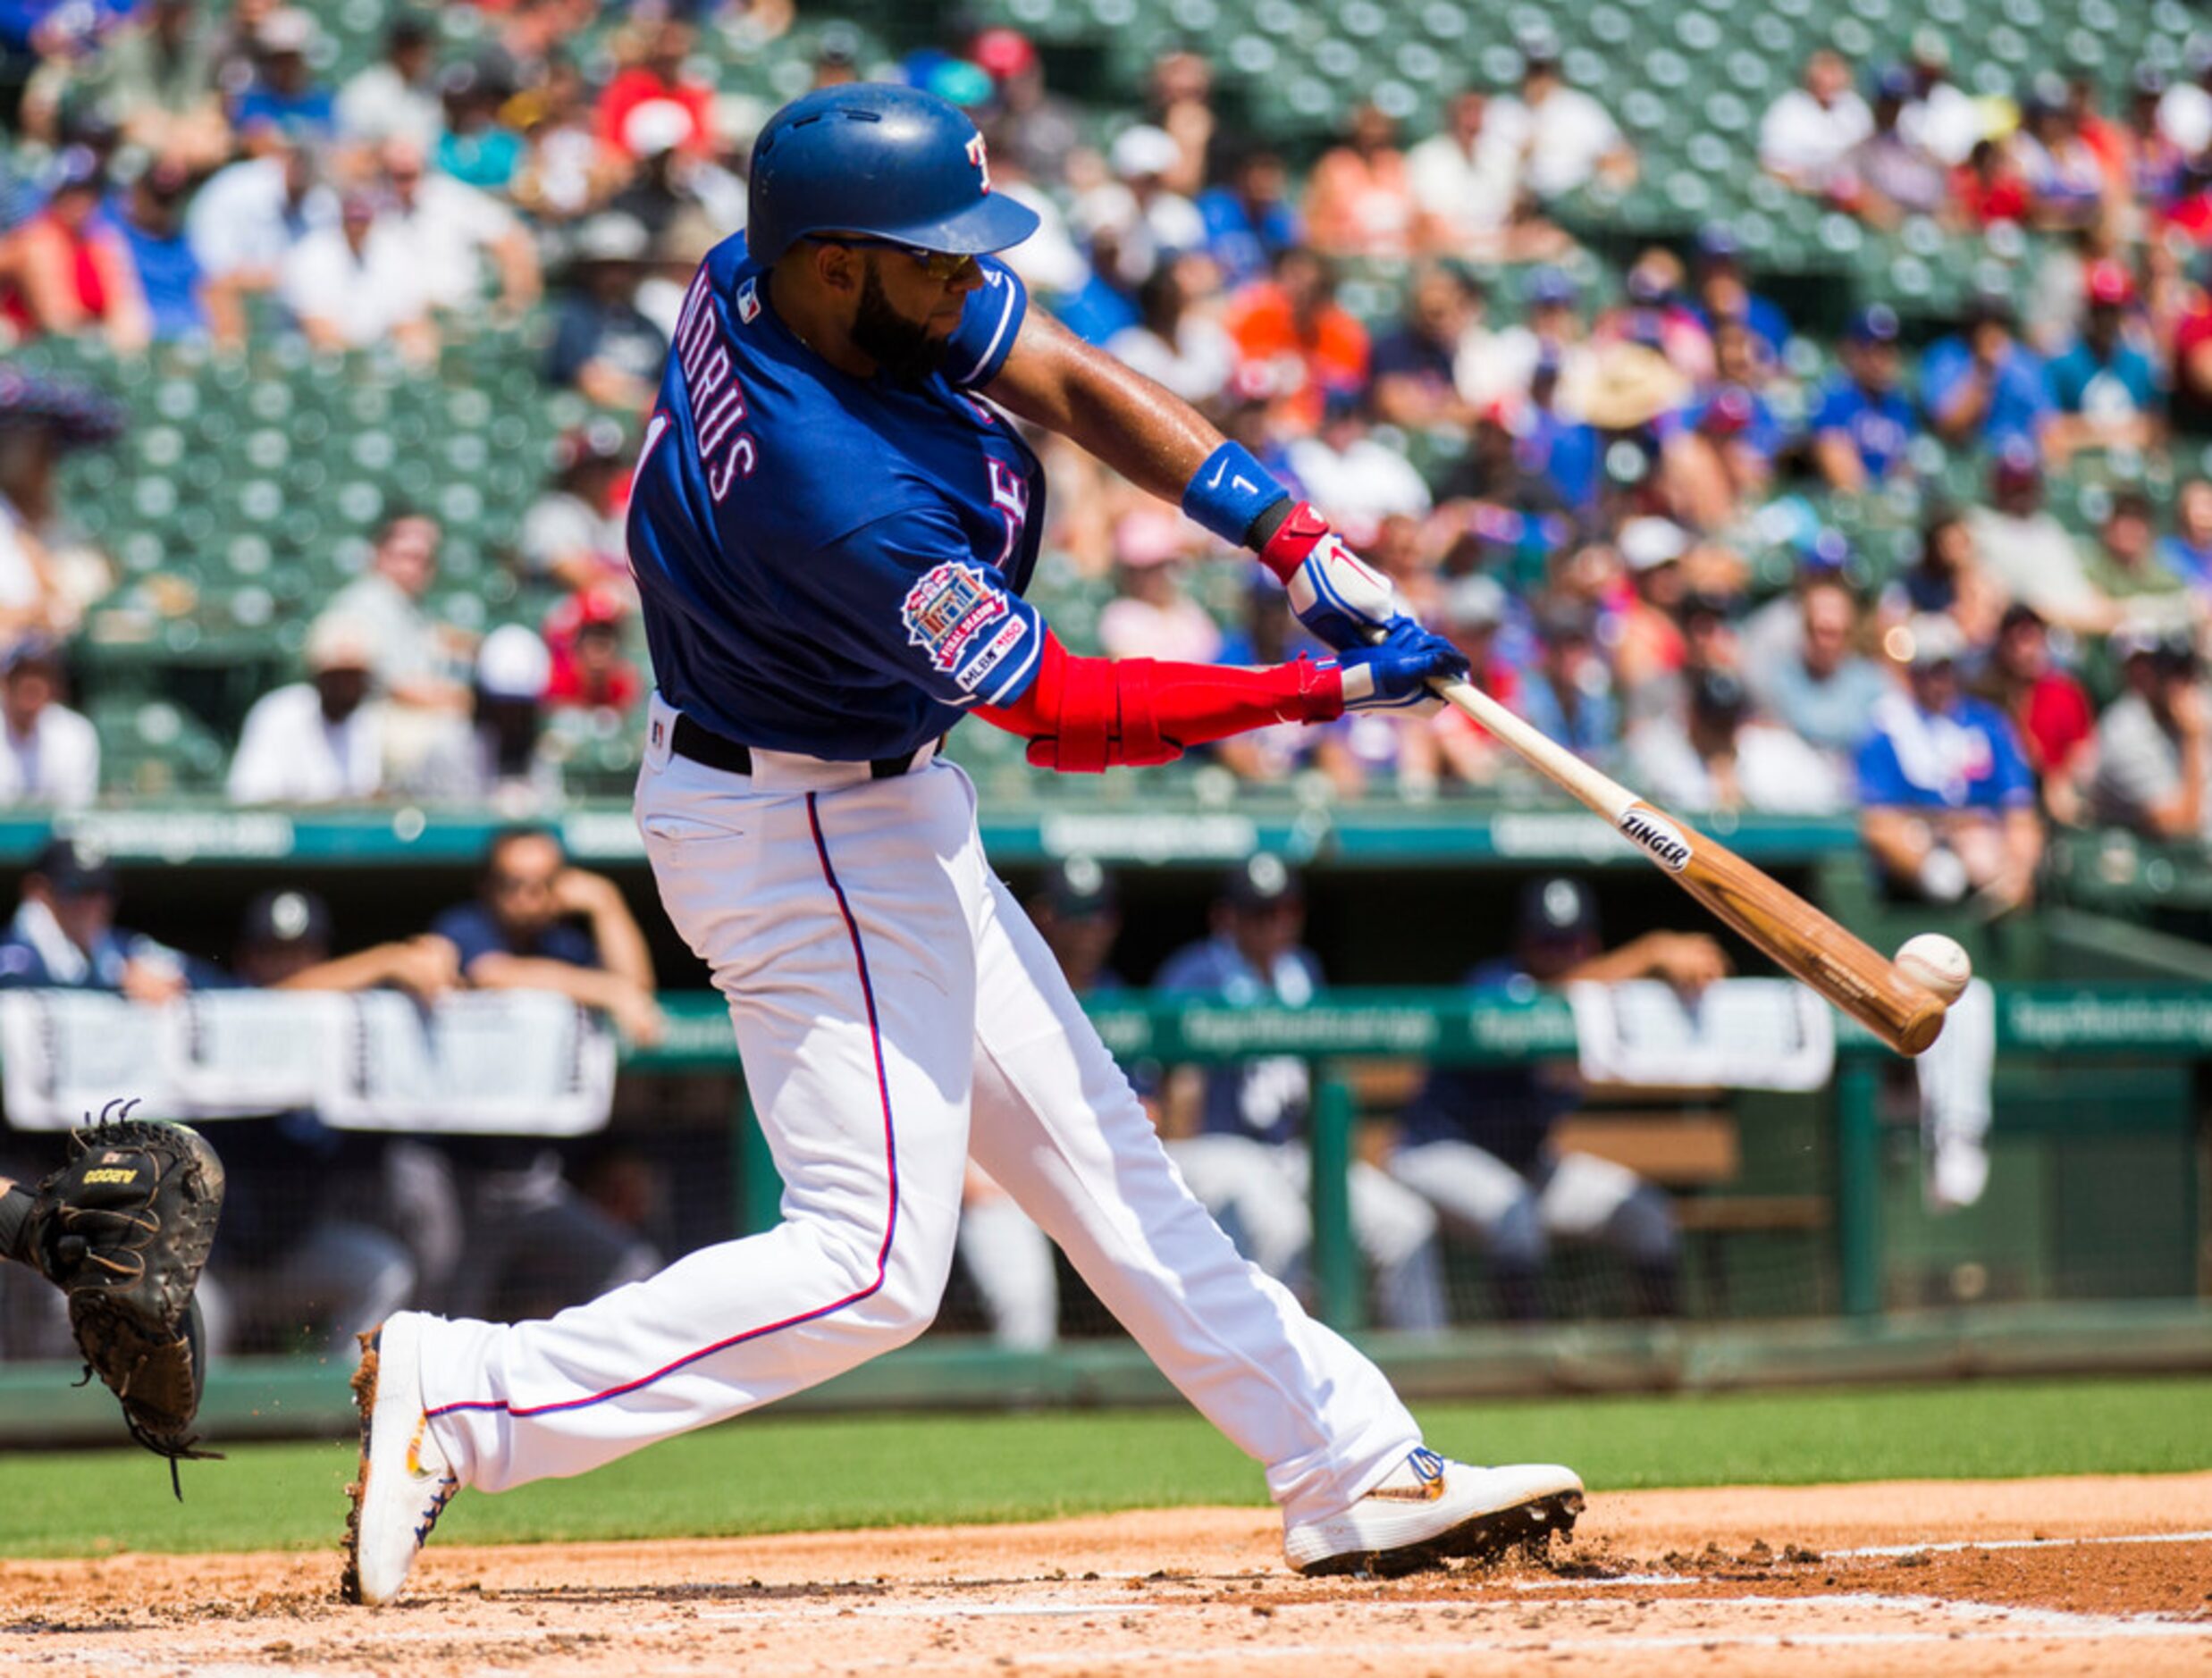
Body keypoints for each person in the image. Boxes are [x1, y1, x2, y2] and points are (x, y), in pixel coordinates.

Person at [344, 82, 1578, 1607]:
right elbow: (1063, 711)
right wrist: (1318, 684)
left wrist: (1289, 536)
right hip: (801, 821)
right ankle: (473, 1392)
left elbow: (1059, 368)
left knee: (1111, 1167)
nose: (966, 276)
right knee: (868, 1266)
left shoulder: (762, 275)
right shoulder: (835, 489)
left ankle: (1350, 1466)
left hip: (857, 794)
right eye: (932, 254)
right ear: (838, 262)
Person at [1156, 858, 1446, 1333]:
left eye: (1285, 911)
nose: (1275, 925)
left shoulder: (1302, 972)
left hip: (1289, 1152)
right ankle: (1273, 1371)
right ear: (1226, 918)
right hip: (1217, 1147)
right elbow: (1177, 1084)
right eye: (1259, 913)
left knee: (1406, 1223)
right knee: (1284, 1229)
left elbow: (1324, 1081)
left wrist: (1335, 1163)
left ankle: (1423, 1372)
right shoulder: (1197, 972)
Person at [1388, 877, 1691, 1321]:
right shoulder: (1494, 983)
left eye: (1574, 943)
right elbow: (1550, 1002)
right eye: (1548, 942)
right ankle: (1528, 1368)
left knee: (1650, 1217)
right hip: (1435, 1153)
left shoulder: (1600, 1003)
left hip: (1529, 1165)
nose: (1561, 955)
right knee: (1516, 1215)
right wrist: (1649, 954)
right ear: (1524, 943)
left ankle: (1665, 1361)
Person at [1857, 615, 2043, 910]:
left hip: (1991, 856)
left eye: (1943, 668)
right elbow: (1878, 822)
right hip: (1921, 865)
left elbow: (2021, 814)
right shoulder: (1887, 729)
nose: (1936, 680)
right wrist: (1931, 865)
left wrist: (2017, 872)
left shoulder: (1989, 726)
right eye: (1926, 669)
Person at [0, 835, 198, 997]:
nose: (93, 904)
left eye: (103, 891)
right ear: (38, 890)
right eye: (75, 889)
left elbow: (206, 978)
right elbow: (17, 984)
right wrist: (120, 986)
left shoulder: (121, 948)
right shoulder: (15, 952)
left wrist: (175, 984)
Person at [227, 613, 385, 804]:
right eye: (339, 677)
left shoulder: (365, 722)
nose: (347, 687)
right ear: (317, 675)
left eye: (355, 678)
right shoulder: (279, 714)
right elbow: (251, 798)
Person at [1745, 576, 1892, 759]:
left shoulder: (1871, 682)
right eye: (1819, 630)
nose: (1825, 643)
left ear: (1849, 633)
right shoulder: (1780, 676)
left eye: (1834, 633)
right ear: (1805, 629)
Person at [2090, 626, 2211, 843]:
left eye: (2186, 670)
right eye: (2170, 672)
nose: (2180, 683)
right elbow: (2182, 827)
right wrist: (2193, 739)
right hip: (2155, 862)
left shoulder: (2199, 707)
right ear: (2150, 674)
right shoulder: (2124, 733)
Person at [1979, 603, 2095, 826]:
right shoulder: (1987, 695)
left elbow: (2083, 751)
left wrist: (2059, 780)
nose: (2023, 652)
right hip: (2005, 797)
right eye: (2014, 643)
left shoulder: (2066, 692)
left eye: (2030, 640)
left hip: (2058, 791)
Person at [1486, 34, 1636, 202]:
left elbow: (1623, 164)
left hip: (1573, 201)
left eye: (1544, 72)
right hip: (1523, 202)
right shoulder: (1503, 109)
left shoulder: (1580, 110)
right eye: (1533, 72)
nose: (1539, 80)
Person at [1808, 306, 1918, 494]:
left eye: (1887, 350)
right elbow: (1843, 478)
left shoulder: (1900, 404)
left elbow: (1908, 471)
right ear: (1851, 350)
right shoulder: (1832, 399)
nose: (1880, 360)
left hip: (1888, 505)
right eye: (1871, 350)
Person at [1758, 50, 1873, 196]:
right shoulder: (1788, 111)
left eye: (1834, 76)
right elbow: (1772, 167)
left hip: (1851, 190)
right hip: (1802, 192)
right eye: (1823, 78)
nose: (1829, 83)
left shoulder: (1855, 108)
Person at [0, 638, 97, 807]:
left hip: (54, 832)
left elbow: (75, 813)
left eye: (41, 675)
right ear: (5, 681)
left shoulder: (75, 733)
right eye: (21, 674)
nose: (31, 683)